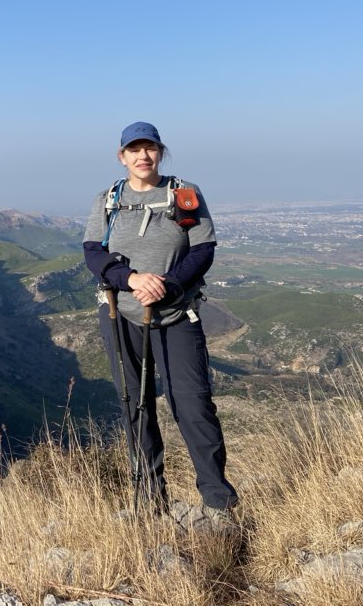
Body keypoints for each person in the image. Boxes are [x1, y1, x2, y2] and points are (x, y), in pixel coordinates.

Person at [83, 121, 238, 515]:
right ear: (122, 157)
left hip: (175, 314)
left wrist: (167, 285)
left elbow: (202, 250)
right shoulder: (107, 200)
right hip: (121, 315)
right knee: (136, 407)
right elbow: (93, 252)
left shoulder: (183, 194)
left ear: (160, 152)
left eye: (150, 148)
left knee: (193, 406)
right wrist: (131, 279)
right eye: (134, 149)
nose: (143, 156)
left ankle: (219, 504)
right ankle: (151, 503)